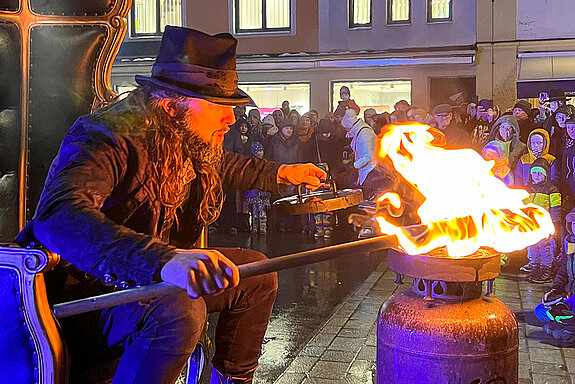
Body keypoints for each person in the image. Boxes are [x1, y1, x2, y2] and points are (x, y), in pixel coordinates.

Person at [15, 26, 325, 384]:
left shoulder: (182, 135)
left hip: (137, 284)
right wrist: (164, 260)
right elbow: (59, 217)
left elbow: (224, 164)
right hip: (80, 296)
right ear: (172, 104)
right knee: (180, 306)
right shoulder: (107, 134)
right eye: (219, 106)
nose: (230, 119)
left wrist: (284, 172)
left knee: (255, 273)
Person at [522, 158, 561, 283]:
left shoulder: (552, 189)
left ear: (546, 175)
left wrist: (555, 223)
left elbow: (555, 209)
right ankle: (535, 267)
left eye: (540, 173)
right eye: (534, 173)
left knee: (545, 248)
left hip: (545, 225)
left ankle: (546, 269)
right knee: (533, 247)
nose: (537, 176)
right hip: (532, 225)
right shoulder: (528, 189)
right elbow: (523, 207)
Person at [244, 142, 271, 235]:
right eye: (259, 151)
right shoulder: (250, 164)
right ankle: (254, 228)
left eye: (262, 150)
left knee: (262, 210)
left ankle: (263, 228)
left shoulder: (266, 163)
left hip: (262, 191)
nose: (261, 153)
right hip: (253, 191)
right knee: (254, 211)